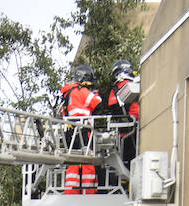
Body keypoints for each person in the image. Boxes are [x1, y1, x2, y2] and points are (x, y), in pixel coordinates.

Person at [57, 63, 101, 194]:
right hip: (83, 130)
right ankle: (88, 191)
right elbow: (97, 102)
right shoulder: (81, 92)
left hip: (70, 132)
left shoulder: (67, 93)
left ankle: (71, 191)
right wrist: (95, 91)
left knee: (73, 162)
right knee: (88, 161)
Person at [104, 58, 140, 178]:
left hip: (125, 129)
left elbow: (113, 108)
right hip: (133, 127)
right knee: (132, 159)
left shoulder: (116, 90)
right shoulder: (132, 85)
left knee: (127, 161)